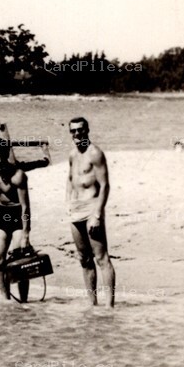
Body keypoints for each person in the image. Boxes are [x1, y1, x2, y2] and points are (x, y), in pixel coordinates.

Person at [66, 116, 115, 307]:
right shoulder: (72, 155)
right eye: (73, 131)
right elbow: (70, 179)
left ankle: (109, 306)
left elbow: (105, 186)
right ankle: (92, 304)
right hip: (76, 211)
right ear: (70, 133)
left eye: (81, 130)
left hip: (91, 210)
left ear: (87, 131)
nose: (77, 134)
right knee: (84, 259)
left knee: (101, 258)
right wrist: (67, 202)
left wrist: (97, 215)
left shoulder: (95, 153)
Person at [0, 138, 32, 299]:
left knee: (20, 260)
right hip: (2, 216)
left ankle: (24, 300)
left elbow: (25, 206)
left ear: (7, 155)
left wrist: (25, 234)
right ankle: (6, 300)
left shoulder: (18, 176)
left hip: (17, 217)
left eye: (1, 156)